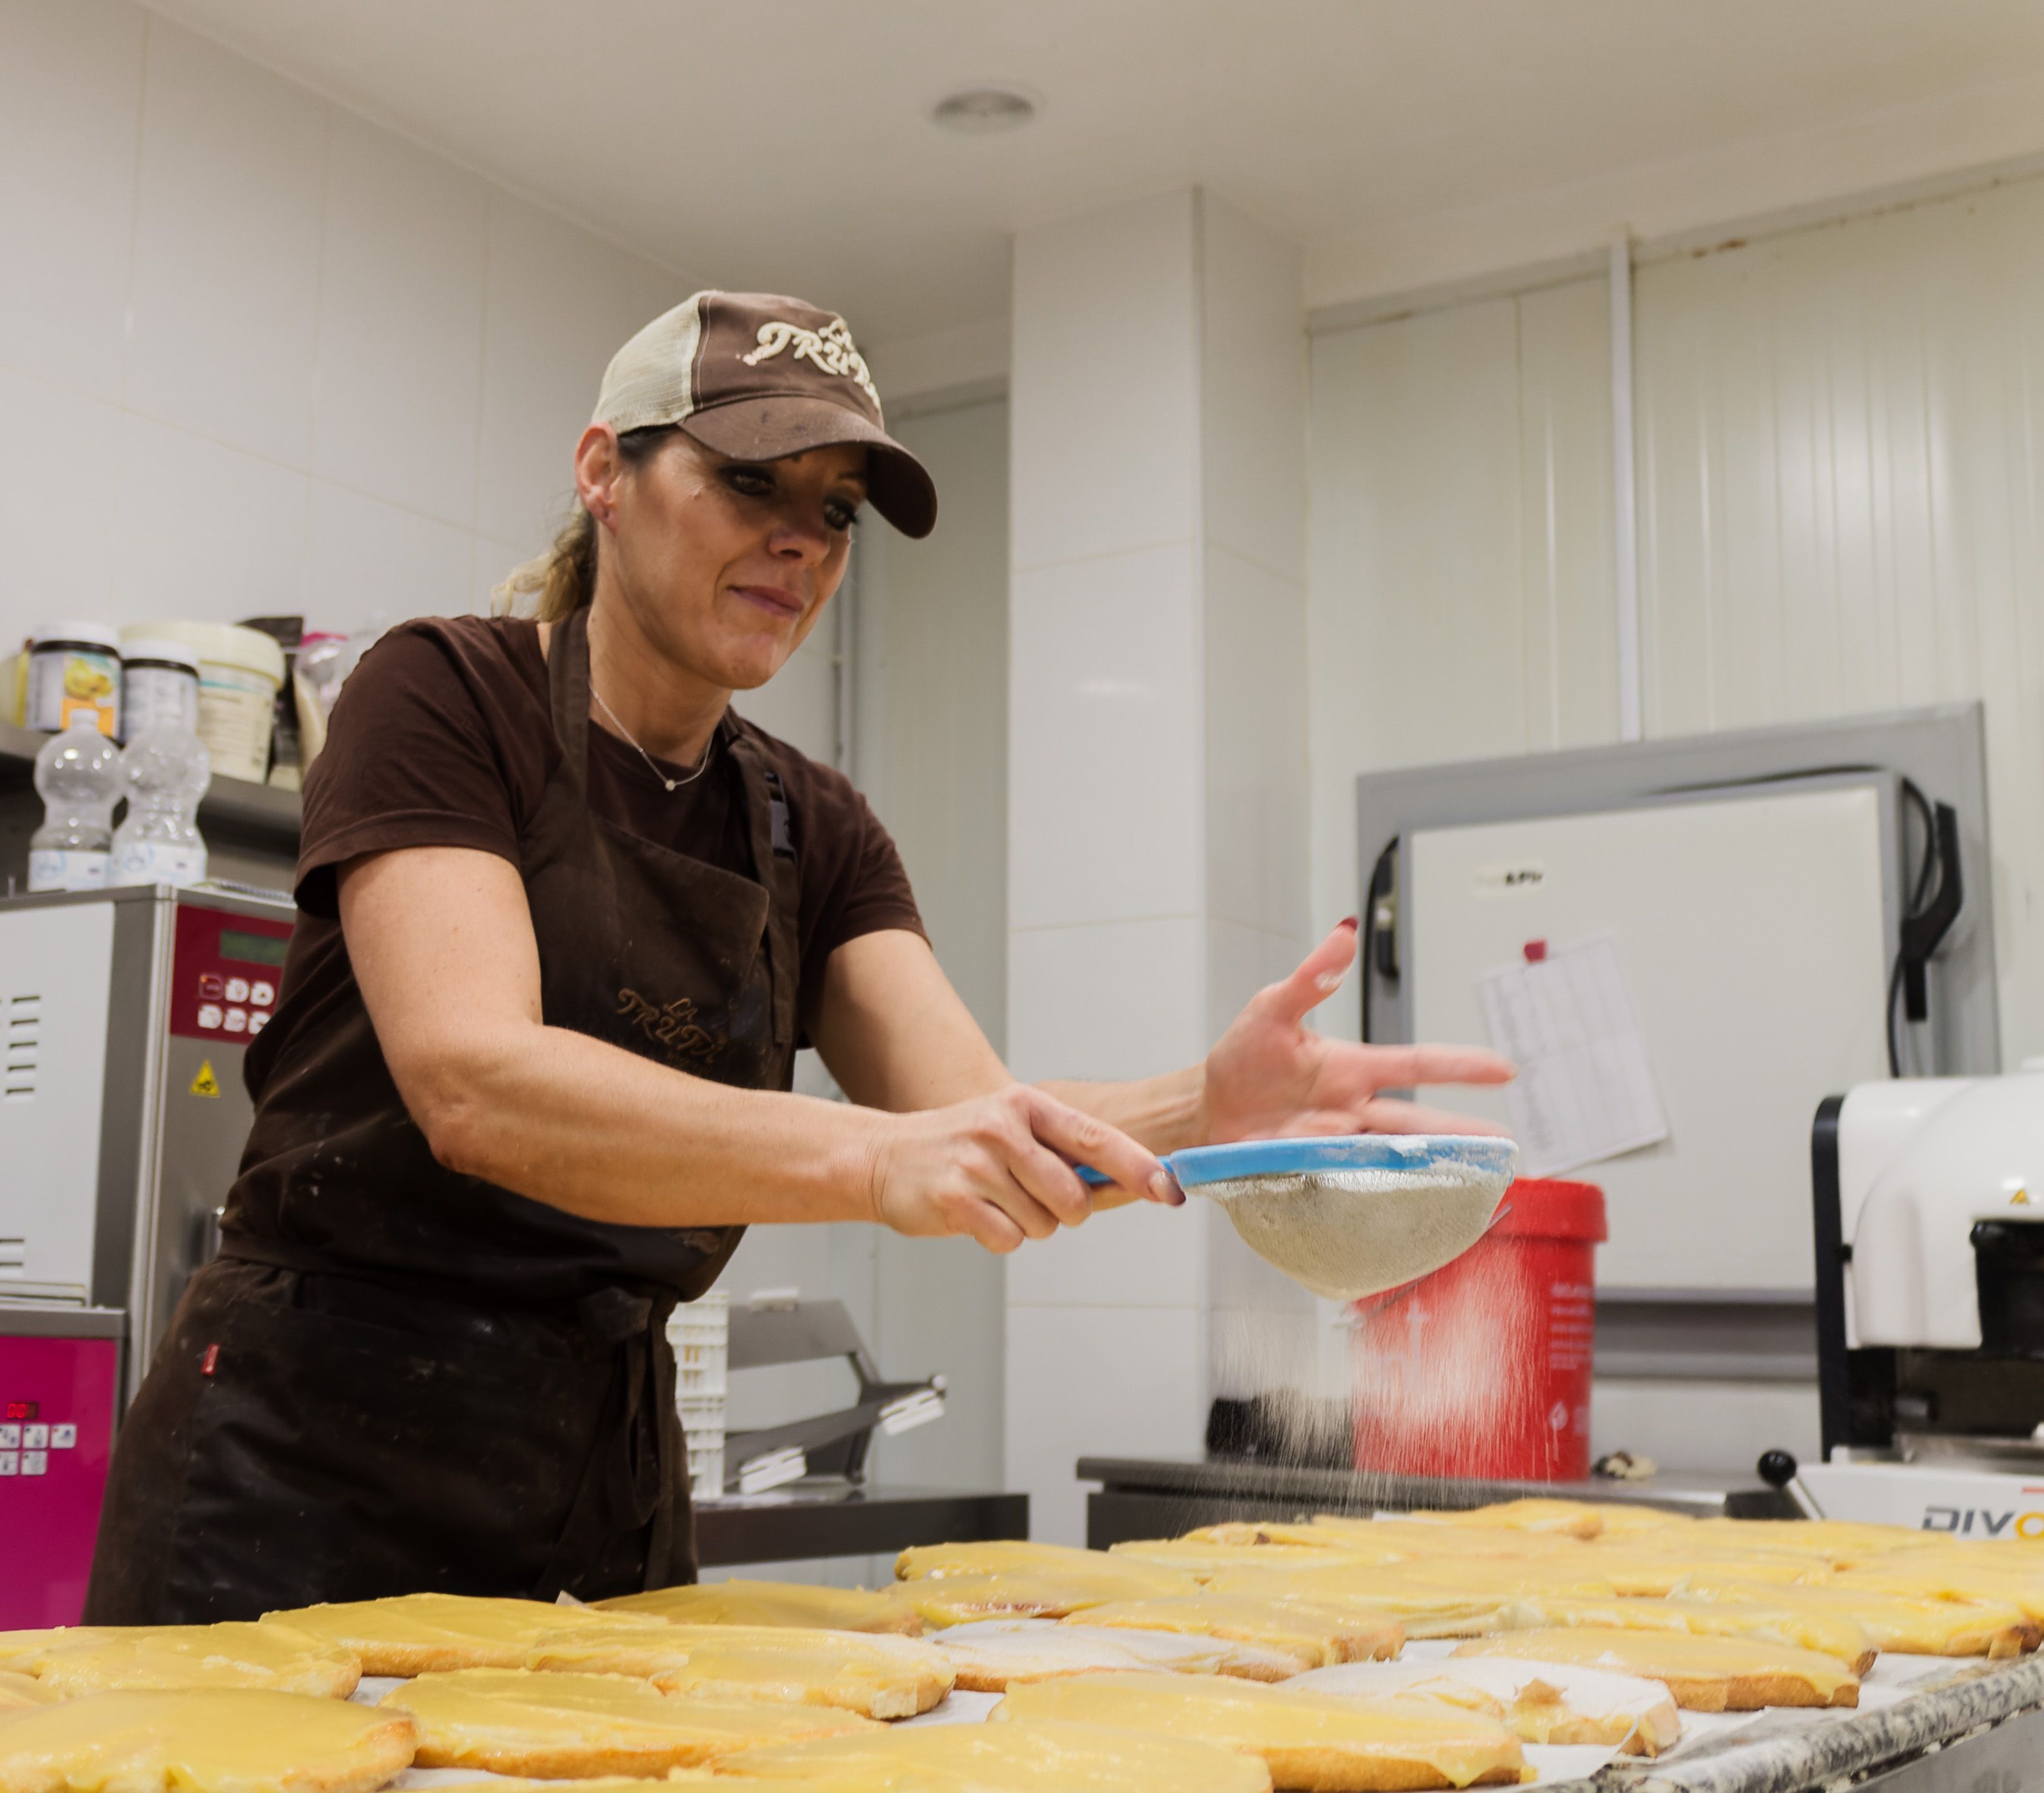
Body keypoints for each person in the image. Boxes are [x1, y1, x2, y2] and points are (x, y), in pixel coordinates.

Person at [85, 290, 1512, 1621]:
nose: (803, 545)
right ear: (605, 470)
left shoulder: (807, 825)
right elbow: (478, 1083)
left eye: (834, 514)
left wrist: (1210, 1110)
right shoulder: (449, 695)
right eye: (750, 481)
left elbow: (967, 1119)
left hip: (599, 1474)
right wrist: (873, 1161)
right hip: (302, 1463)